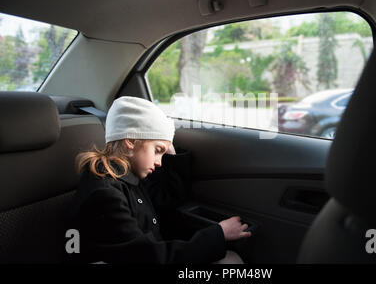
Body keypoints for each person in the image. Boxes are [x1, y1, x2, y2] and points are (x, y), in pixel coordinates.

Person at [65, 96, 251, 264]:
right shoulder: (104, 195)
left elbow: (168, 199)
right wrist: (217, 234)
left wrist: (169, 150)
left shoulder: (130, 178)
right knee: (231, 262)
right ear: (130, 141)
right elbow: (146, 256)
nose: (160, 162)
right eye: (157, 150)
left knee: (231, 260)